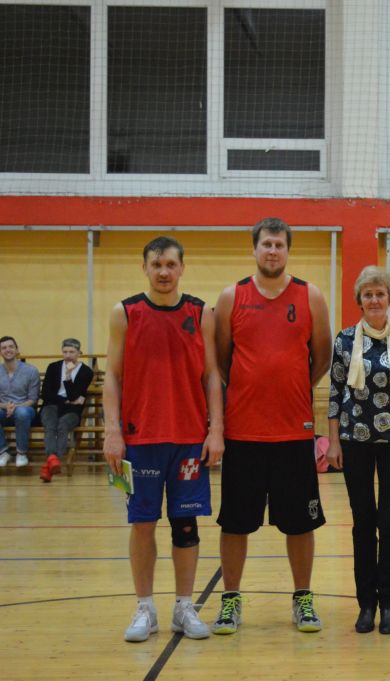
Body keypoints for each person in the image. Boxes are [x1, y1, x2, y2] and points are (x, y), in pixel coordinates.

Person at [213, 217, 333, 635]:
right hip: (242, 432)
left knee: (301, 523)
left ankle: (303, 597)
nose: (272, 251)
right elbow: (222, 360)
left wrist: (292, 387)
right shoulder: (231, 296)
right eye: (266, 244)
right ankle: (230, 599)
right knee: (235, 522)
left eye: (279, 245)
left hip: (294, 432)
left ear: (287, 251)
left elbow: (322, 357)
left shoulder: (310, 295)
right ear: (254, 249)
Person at [102, 236, 224, 642]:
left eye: (171, 264)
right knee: (142, 523)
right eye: (156, 265)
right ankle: (145, 608)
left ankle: (184, 607)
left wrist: (216, 430)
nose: (164, 272)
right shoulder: (125, 313)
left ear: (182, 268)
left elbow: (212, 375)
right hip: (139, 440)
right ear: (145, 268)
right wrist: (112, 431)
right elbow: (112, 376)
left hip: (189, 438)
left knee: (185, 525)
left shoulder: (201, 313)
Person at [327, 266, 390, 635]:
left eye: (380, 293)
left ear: (389, 297)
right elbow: (335, 393)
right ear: (359, 300)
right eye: (368, 294)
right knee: (363, 523)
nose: (374, 299)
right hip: (354, 441)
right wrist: (333, 441)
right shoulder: (344, 341)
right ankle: (366, 604)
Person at [39, 338, 95, 482]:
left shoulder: (86, 372)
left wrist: (69, 376)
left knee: (63, 425)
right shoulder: (53, 367)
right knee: (50, 425)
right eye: (65, 352)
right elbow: (45, 394)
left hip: (72, 410)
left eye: (72, 352)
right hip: (51, 406)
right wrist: (64, 400)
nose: (68, 355)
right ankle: (53, 460)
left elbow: (74, 396)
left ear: (79, 353)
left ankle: (50, 463)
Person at [0, 336, 40, 468]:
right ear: (0, 352)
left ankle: (21, 453)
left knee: (21, 413)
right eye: (4, 348)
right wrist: (6, 406)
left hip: (26, 411)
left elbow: (33, 399)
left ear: (17, 350)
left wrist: (15, 407)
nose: (8, 350)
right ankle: (3, 452)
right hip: (3, 410)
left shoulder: (31, 371)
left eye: (11, 347)